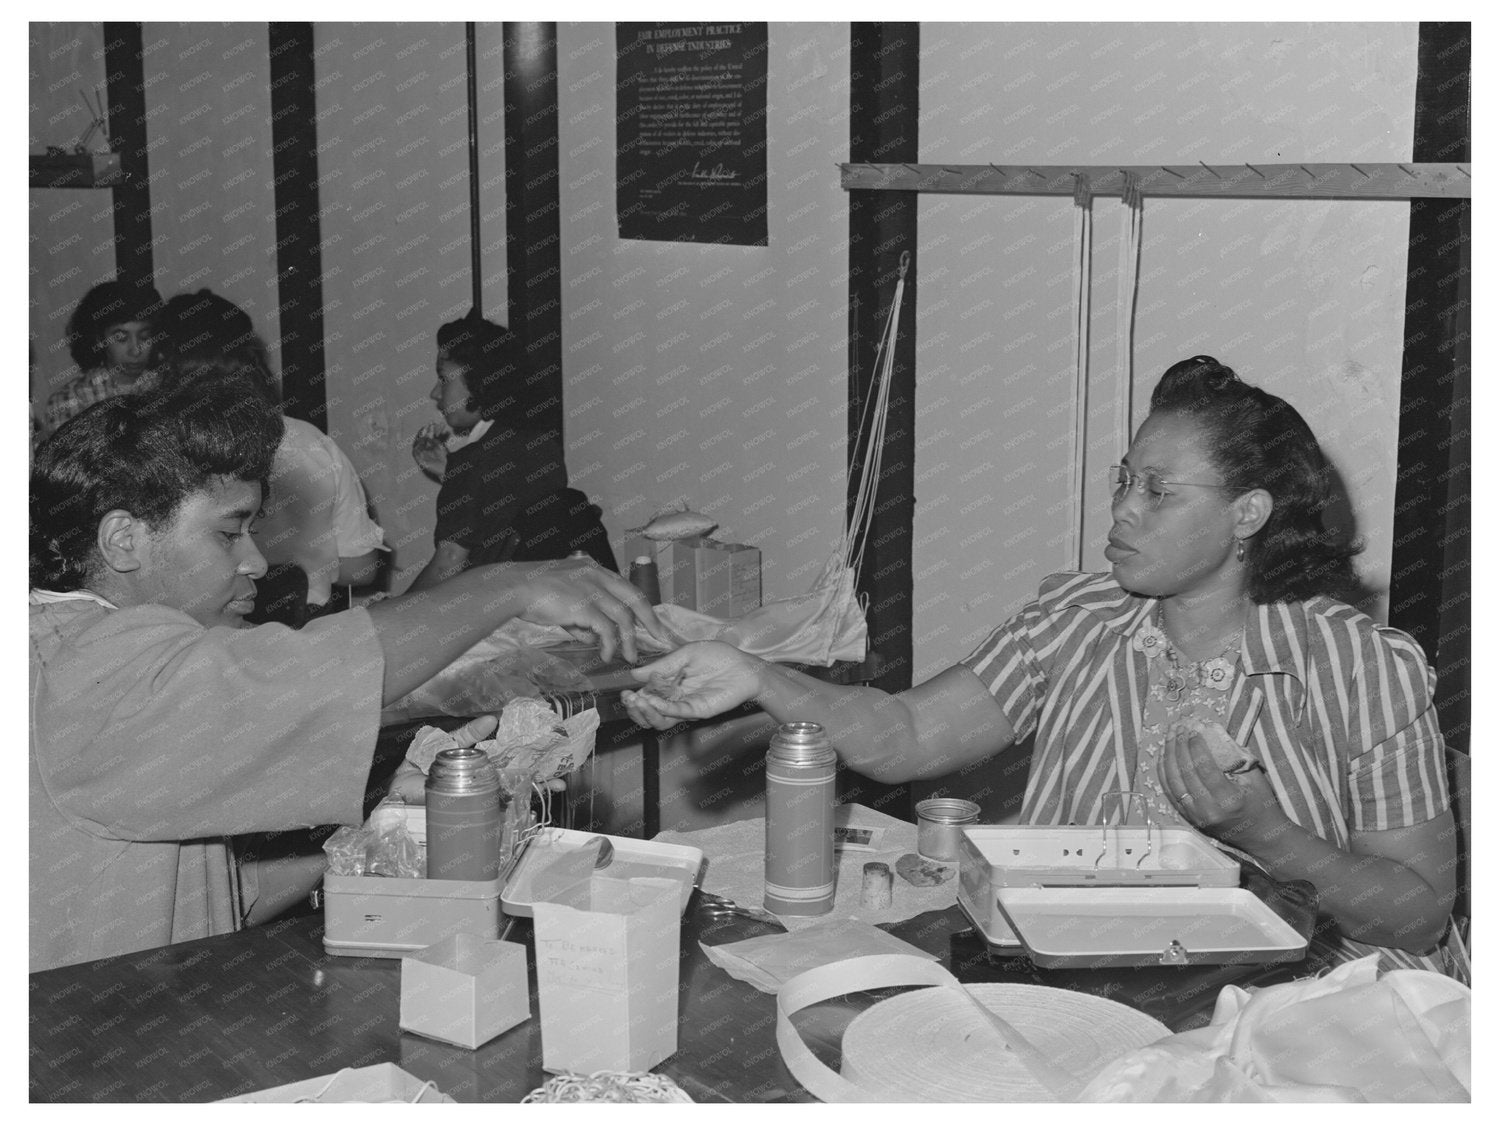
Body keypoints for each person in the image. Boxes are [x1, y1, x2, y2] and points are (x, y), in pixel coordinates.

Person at [623, 356, 1458, 976]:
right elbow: (907, 733)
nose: (1122, 508)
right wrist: (757, 674)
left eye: (1158, 491)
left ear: (1248, 514)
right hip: (1089, 976)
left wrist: (1265, 834)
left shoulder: (1360, 666)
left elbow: (1417, 914)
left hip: (1300, 1000)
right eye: (1124, 478)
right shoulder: (1073, 620)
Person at [29, 381, 663, 970]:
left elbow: (210, 901)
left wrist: (367, 835)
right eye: (228, 534)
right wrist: (508, 584)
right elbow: (288, 678)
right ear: (123, 541)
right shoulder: (83, 661)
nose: (254, 561)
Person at [153, 289, 384, 612]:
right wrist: (305, 562)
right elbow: (361, 568)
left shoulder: (151, 447)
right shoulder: (308, 441)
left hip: (194, 636)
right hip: (299, 630)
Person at [407, 313, 616, 591]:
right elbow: (502, 512)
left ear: (479, 381)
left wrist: (395, 609)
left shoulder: (473, 462)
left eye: (443, 379)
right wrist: (451, 472)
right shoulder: (542, 446)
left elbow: (448, 565)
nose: (434, 393)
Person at [43, 278, 163, 436]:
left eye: (145, 337)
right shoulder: (68, 402)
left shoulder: (166, 388)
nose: (135, 350)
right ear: (100, 339)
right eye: (121, 338)